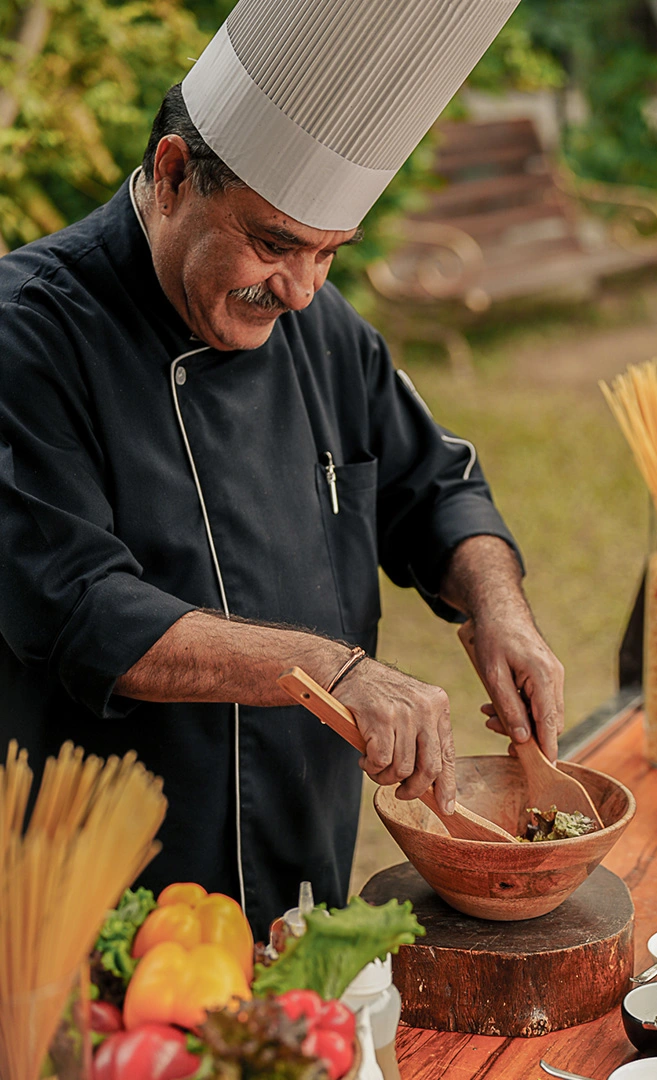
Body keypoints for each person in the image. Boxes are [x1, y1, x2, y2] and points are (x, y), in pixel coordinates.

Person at [0, 0, 563, 938]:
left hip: (303, 872)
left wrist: (498, 607)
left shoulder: (320, 328)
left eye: (329, 254)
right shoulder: (28, 333)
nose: (300, 291)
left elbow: (437, 488)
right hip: (103, 902)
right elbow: (78, 608)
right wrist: (331, 670)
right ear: (173, 175)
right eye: (274, 244)